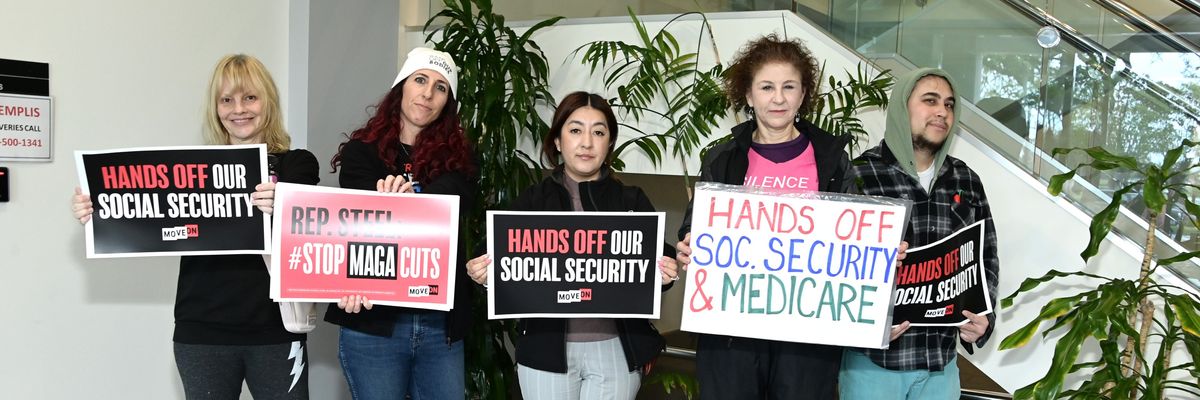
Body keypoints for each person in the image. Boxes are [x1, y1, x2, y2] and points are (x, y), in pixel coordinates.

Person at [71, 54, 320, 399]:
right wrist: (97, 209)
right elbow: (142, 211)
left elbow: (312, 228)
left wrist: (283, 203)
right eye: (227, 99)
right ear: (215, 108)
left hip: (276, 328)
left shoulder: (298, 163)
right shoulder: (192, 168)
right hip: (201, 330)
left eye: (250, 97)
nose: (239, 109)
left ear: (268, 102)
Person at [463, 91, 679, 400]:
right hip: (546, 352)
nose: (587, 142)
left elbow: (660, 256)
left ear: (609, 144)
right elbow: (490, 253)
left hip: (616, 352)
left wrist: (666, 270)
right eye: (575, 130)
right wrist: (481, 270)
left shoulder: (630, 200)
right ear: (557, 141)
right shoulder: (533, 200)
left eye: (599, 132)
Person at [673, 34, 852, 399]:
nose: (779, 98)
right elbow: (696, 224)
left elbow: (851, 238)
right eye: (767, 87)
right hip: (731, 335)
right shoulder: (723, 159)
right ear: (749, 95)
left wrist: (880, 254)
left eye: (789, 87)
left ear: (804, 95)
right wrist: (689, 244)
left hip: (807, 335)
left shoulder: (831, 160)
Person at [324, 47, 477, 400]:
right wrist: (398, 205)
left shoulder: (460, 156)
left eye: (441, 87)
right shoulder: (362, 152)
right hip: (373, 323)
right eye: (420, 80)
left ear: (447, 102)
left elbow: (454, 197)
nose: (427, 93)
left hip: (440, 325)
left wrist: (406, 197)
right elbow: (361, 224)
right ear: (402, 87)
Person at [839, 68, 999, 400]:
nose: (942, 111)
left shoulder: (965, 180)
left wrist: (983, 318)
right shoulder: (859, 176)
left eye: (949, 104)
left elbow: (987, 256)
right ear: (902, 108)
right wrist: (865, 322)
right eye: (930, 101)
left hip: (941, 366)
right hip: (873, 366)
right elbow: (835, 265)